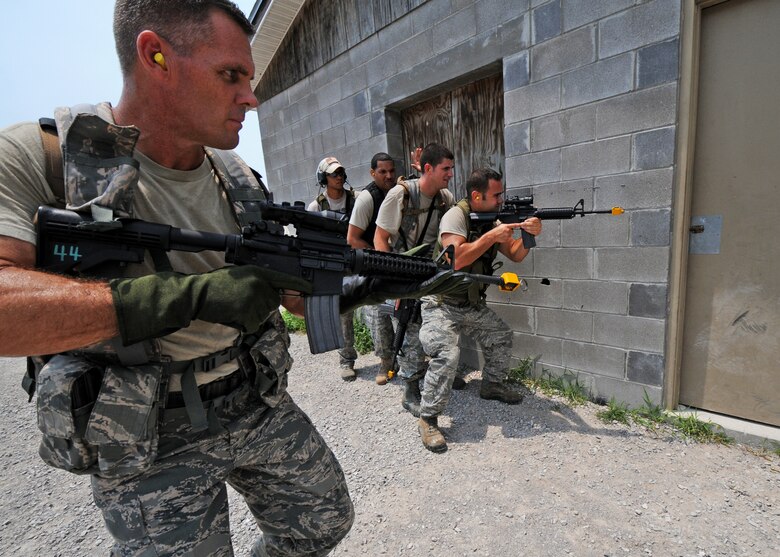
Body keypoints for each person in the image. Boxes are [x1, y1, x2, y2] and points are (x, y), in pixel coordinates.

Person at [0, 1, 468, 553]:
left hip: (251, 397)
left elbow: (288, 298)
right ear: (154, 55)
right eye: (231, 75)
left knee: (323, 521)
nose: (251, 96)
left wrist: (357, 288)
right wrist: (191, 297)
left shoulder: (239, 177)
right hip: (142, 427)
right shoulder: (48, 156)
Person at [416, 168, 543, 453]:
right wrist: (491, 236)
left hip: (470, 304)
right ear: (476, 196)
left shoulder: (493, 220)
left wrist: (530, 234)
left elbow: (516, 254)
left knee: (501, 336)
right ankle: (428, 418)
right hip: (441, 304)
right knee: (448, 355)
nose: (501, 200)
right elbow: (456, 260)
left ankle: (492, 386)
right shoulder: (455, 217)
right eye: (496, 195)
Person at [374, 143, 456, 416]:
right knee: (409, 329)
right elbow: (380, 239)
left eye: (451, 168)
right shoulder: (401, 194)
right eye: (446, 169)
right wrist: (393, 278)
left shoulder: (446, 197)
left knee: (440, 324)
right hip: (403, 271)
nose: (450, 174)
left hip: (432, 273)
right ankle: (410, 387)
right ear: (429, 168)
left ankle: (441, 373)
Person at [346, 152, 397, 385]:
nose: (388, 176)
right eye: (382, 172)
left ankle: (407, 360)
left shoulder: (398, 192)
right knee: (379, 314)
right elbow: (353, 238)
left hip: (399, 262)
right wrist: (378, 257)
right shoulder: (367, 198)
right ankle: (385, 361)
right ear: (372, 173)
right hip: (376, 263)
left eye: (391, 171)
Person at [309, 156, 359, 380]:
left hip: (359, 258)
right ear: (323, 178)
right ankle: (346, 359)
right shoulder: (317, 206)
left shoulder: (356, 199)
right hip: (335, 263)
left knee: (376, 306)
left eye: (340, 172)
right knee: (344, 312)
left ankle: (387, 358)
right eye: (333, 174)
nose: (339, 177)